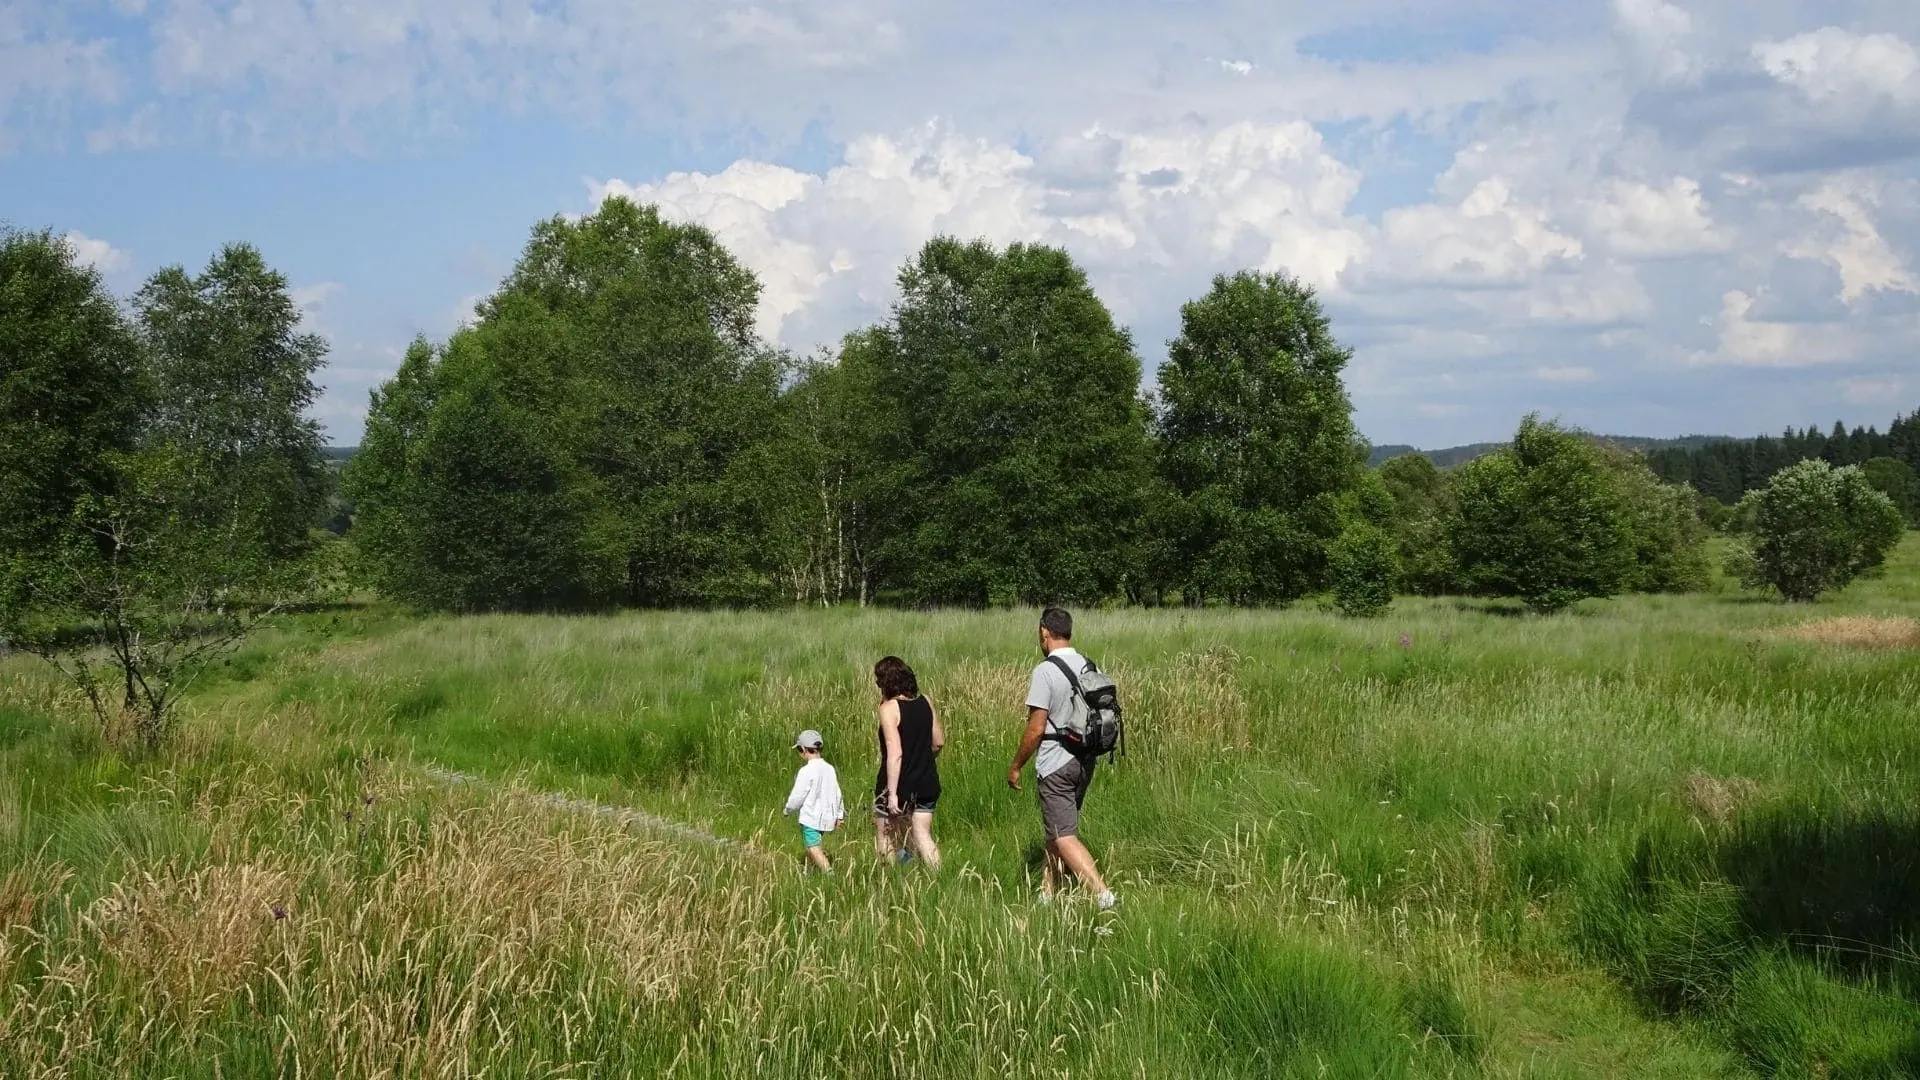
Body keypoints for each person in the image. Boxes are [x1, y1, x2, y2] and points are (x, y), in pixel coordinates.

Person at [1006, 606, 1116, 909]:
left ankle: (1104, 897)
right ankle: (1047, 893)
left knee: (1063, 835)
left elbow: (1036, 727)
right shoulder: (1087, 665)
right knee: (1056, 829)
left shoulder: (1045, 671)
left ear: (1044, 631)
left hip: (1055, 763)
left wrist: (1016, 766)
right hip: (1084, 760)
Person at [873, 655, 944, 869]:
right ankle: (938, 877)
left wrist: (892, 794)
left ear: (885, 682)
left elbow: (895, 754)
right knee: (922, 835)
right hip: (926, 781)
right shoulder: (926, 701)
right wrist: (921, 758)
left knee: (886, 837)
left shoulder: (889, 710)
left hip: (898, 784)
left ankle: (889, 881)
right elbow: (938, 742)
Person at [783, 729, 845, 873]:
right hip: (827, 817)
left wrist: (788, 809)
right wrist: (840, 814)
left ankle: (829, 873)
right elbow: (837, 793)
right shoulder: (829, 769)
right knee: (813, 845)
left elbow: (798, 795)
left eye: (799, 750)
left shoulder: (806, 771)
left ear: (804, 749)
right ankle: (809, 871)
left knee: (813, 847)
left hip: (811, 817)